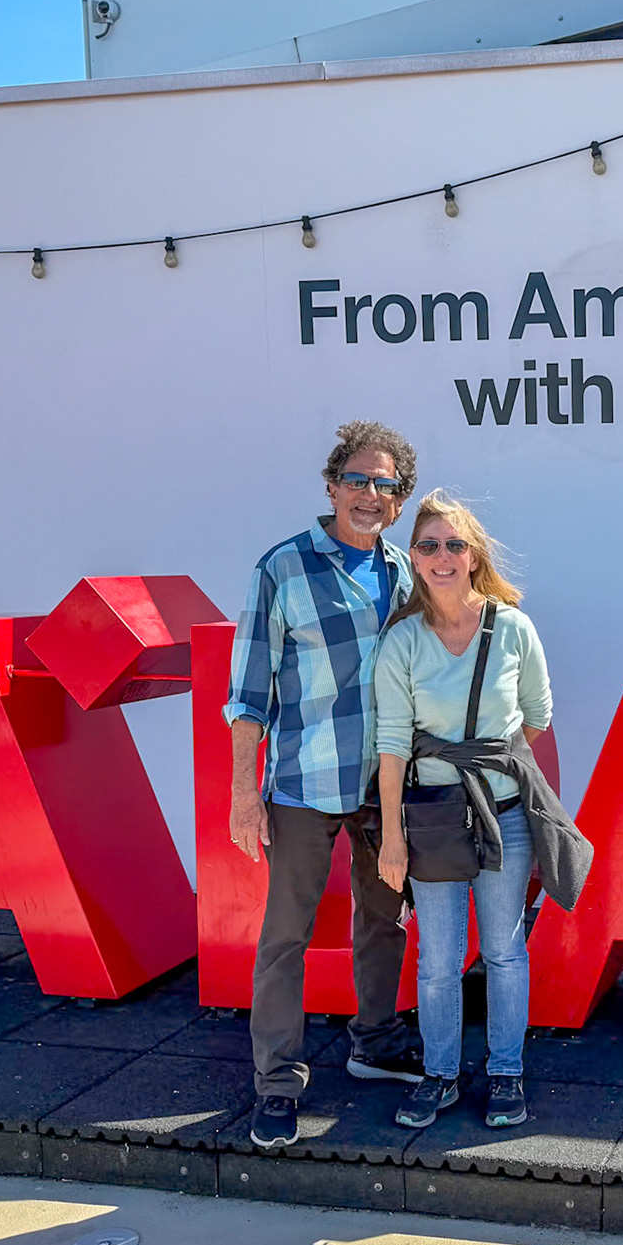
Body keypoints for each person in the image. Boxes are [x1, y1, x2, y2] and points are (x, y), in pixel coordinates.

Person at [226, 420, 423, 1150]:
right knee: (287, 936)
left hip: (384, 788)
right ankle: (277, 1083)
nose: (369, 495)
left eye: (385, 485)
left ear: (399, 501)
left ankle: (373, 1041)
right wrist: (245, 794)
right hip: (305, 784)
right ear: (331, 485)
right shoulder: (283, 568)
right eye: (358, 480)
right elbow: (249, 692)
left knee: (382, 921)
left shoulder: (405, 571)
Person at [373, 492, 570, 1129]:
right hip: (431, 817)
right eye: (428, 545)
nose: (441, 556)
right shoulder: (402, 641)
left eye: (454, 544)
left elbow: (536, 717)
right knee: (437, 958)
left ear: (474, 555)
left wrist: (483, 766)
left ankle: (506, 1072)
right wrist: (393, 837)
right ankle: (440, 1074)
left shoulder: (512, 627)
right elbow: (392, 745)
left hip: (505, 813)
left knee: (506, 950)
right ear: (414, 557)